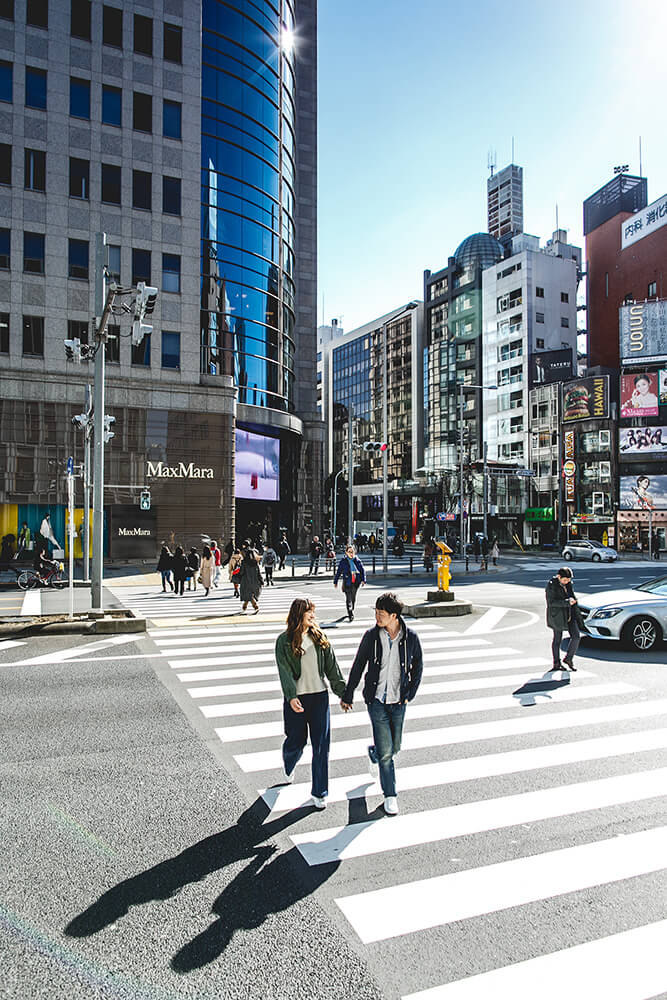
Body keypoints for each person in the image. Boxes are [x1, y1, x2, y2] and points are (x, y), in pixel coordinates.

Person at [341, 592, 424, 816]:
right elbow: (358, 665)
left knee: (394, 747)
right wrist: (348, 694)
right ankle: (390, 795)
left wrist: (411, 693)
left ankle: (374, 753)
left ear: (394, 616)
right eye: (376, 612)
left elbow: (418, 666)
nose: (377, 617)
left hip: (398, 700)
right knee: (388, 754)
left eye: (382, 613)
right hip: (376, 700)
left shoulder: (411, 638)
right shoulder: (371, 636)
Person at [276, 598, 347, 809]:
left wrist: (343, 694)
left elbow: (332, 669)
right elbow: (285, 672)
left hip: (319, 698)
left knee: (321, 746)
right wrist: (291, 696)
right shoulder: (284, 641)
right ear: (299, 614)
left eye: (313, 612)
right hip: (296, 699)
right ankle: (289, 762)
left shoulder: (320, 637)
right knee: (296, 741)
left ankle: (320, 791)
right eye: (309, 612)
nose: (313, 616)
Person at [545, 566, 581, 671]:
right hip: (558, 615)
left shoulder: (569, 584)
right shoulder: (552, 585)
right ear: (559, 577)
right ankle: (556, 663)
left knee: (576, 636)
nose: (566, 582)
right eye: (565, 580)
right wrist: (566, 602)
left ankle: (568, 659)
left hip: (570, 614)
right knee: (557, 640)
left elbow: (571, 595)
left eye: (568, 580)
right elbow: (551, 603)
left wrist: (573, 600)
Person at [333, 543, 366, 621]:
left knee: (353, 597)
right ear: (346, 552)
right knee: (348, 598)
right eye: (349, 552)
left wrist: (363, 580)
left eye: (352, 552)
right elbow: (338, 572)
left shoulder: (357, 561)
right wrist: (335, 581)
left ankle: (352, 607)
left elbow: (362, 571)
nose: (351, 553)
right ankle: (350, 613)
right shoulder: (343, 561)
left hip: (356, 581)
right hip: (347, 581)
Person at [239, 539, 262, 612]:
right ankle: (244, 607)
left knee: (248, 594)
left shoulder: (244, 562)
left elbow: (241, 572)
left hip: (246, 580)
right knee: (250, 594)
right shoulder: (255, 562)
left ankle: (255, 606)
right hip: (254, 579)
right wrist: (261, 579)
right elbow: (258, 571)